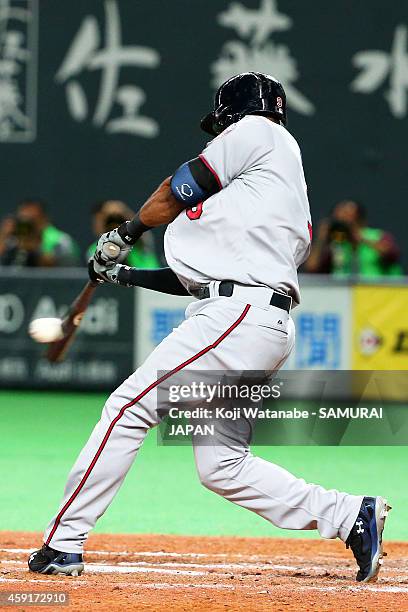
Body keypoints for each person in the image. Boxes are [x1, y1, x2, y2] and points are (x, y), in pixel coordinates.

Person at [28, 72, 390, 582]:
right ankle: (352, 516)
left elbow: (177, 191)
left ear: (230, 115)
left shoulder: (257, 131)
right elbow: (198, 279)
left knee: (127, 408)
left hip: (238, 318)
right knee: (222, 465)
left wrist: (125, 233)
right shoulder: (270, 188)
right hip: (253, 320)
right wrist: (123, 272)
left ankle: (62, 544)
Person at [305, 199, 402, 276]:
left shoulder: (377, 236)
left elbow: (392, 254)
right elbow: (312, 268)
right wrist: (321, 239)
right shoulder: (336, 244)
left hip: (379, 295)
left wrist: (361, 238)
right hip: (345, 296)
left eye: (348, 217)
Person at [4, 199, 81, 267]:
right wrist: (3, 236)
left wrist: (32, 246)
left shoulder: (61, 241)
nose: (26, 225)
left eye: (32, 219)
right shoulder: (12, 240)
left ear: (44, 219)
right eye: (21, 220)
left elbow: (55, 270)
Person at [86, 200, 159, 268]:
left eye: (118, 220)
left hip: (152, 280)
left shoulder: (137, 244)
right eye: (109, 222)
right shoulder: (94, 250)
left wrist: (124, 212)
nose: (115, 226)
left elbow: (142, 232)